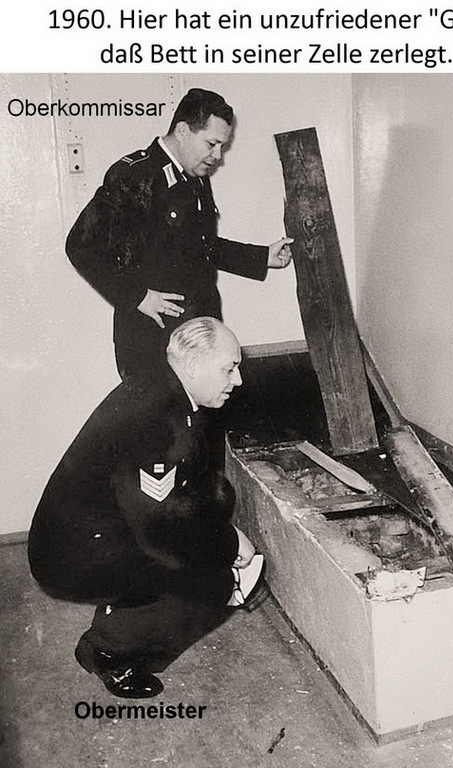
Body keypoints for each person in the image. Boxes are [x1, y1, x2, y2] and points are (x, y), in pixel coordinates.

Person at [28, 317, 264, 699]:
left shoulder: (166, 390)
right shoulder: (156, 416)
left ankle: (123, 608)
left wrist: (216, 530)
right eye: (229, 368)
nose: (237, 380)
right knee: (213, 583)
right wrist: (229, 544)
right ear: (192, 364)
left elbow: (182, 490)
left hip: (96, 529)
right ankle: (109, 652)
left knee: (217, 494)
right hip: (72, 555)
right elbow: (159, 529)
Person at [66, 87, 293, 383]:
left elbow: (201, 246)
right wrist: (136, 297)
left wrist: (262, 257)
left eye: (222, 146)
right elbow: (80, 245)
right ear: (183, 131)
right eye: (211, 144)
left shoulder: (195, 177)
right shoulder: (136, 176)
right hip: (154, 341)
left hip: (198, 335)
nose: (218, 156)